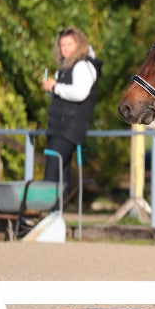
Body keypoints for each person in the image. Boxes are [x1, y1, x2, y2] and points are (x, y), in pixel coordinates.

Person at [41, 26, 102, 188]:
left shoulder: (82, 65)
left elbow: (79, 93)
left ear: (79, 44)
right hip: (59, 127)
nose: (65, 49)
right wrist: (50, 89)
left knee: (51, 175)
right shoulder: (64, 67)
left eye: (69, 45)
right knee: (62, 175)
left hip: (70, 129)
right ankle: (58, 212)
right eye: (62, 45)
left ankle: (51, 211)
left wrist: (55, 88)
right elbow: (60, 94)